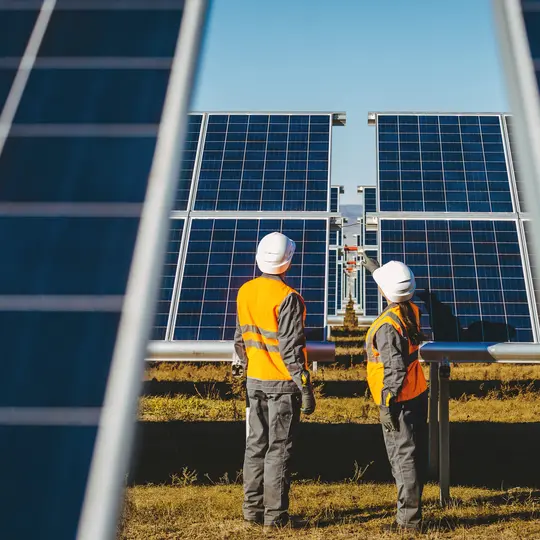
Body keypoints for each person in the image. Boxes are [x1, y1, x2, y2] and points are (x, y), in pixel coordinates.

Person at [232, 231, 316, 529]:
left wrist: (250, 365)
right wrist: (305, 388)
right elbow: (292, 350)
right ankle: (275, 518)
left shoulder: (245, 291)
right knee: (278, 450)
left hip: (254, 380)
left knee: (255, 446)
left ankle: (251, 513)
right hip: (281, 385)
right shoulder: (288, 298)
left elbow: (240, 340)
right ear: (288, 262)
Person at [359, 252, 428, 532]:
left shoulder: (387, 326)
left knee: (403, 458)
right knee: (411, 453)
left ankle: (408, 522)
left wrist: (387, 403)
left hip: (397, 400)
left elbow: (395, 369)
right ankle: (410, 512)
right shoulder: (409, 309)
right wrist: (376, 270)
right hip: (416, 392)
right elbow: (395, 288)